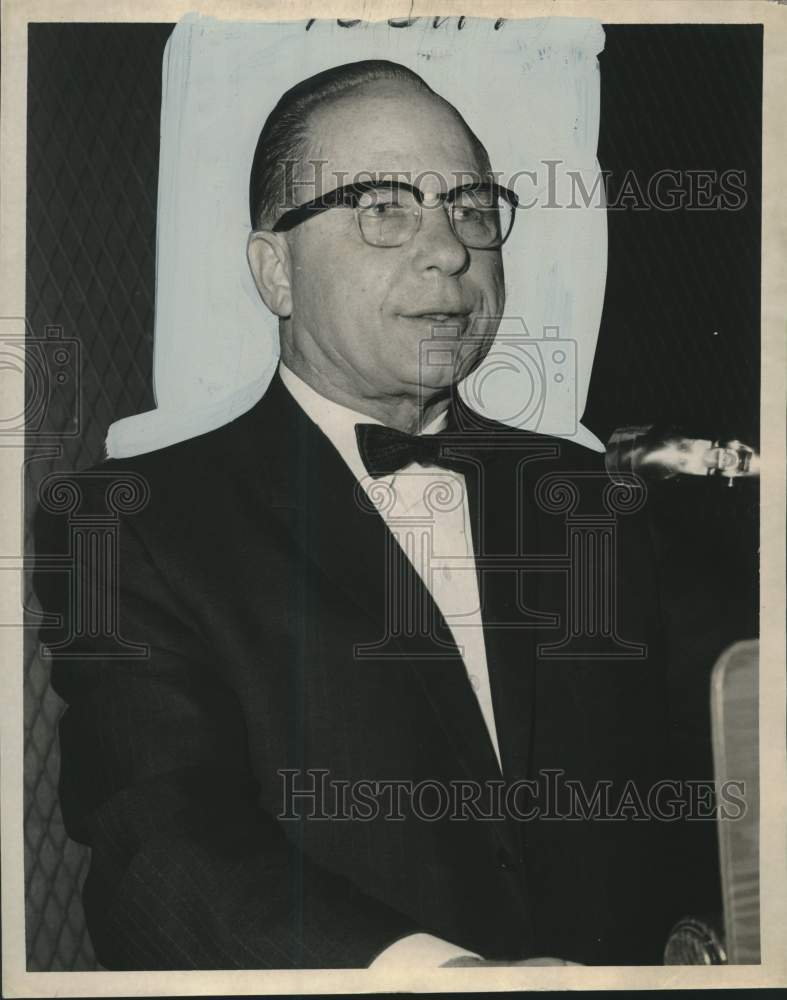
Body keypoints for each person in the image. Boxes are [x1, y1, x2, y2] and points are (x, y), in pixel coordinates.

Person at [33, 59, 718, 970]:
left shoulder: (607, 497)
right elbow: (163, 850)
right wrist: (435, 978)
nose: (448, 248)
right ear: (275, 271)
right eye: (384, 205)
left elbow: (713, 787)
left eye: (470, 208)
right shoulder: (127, 524)